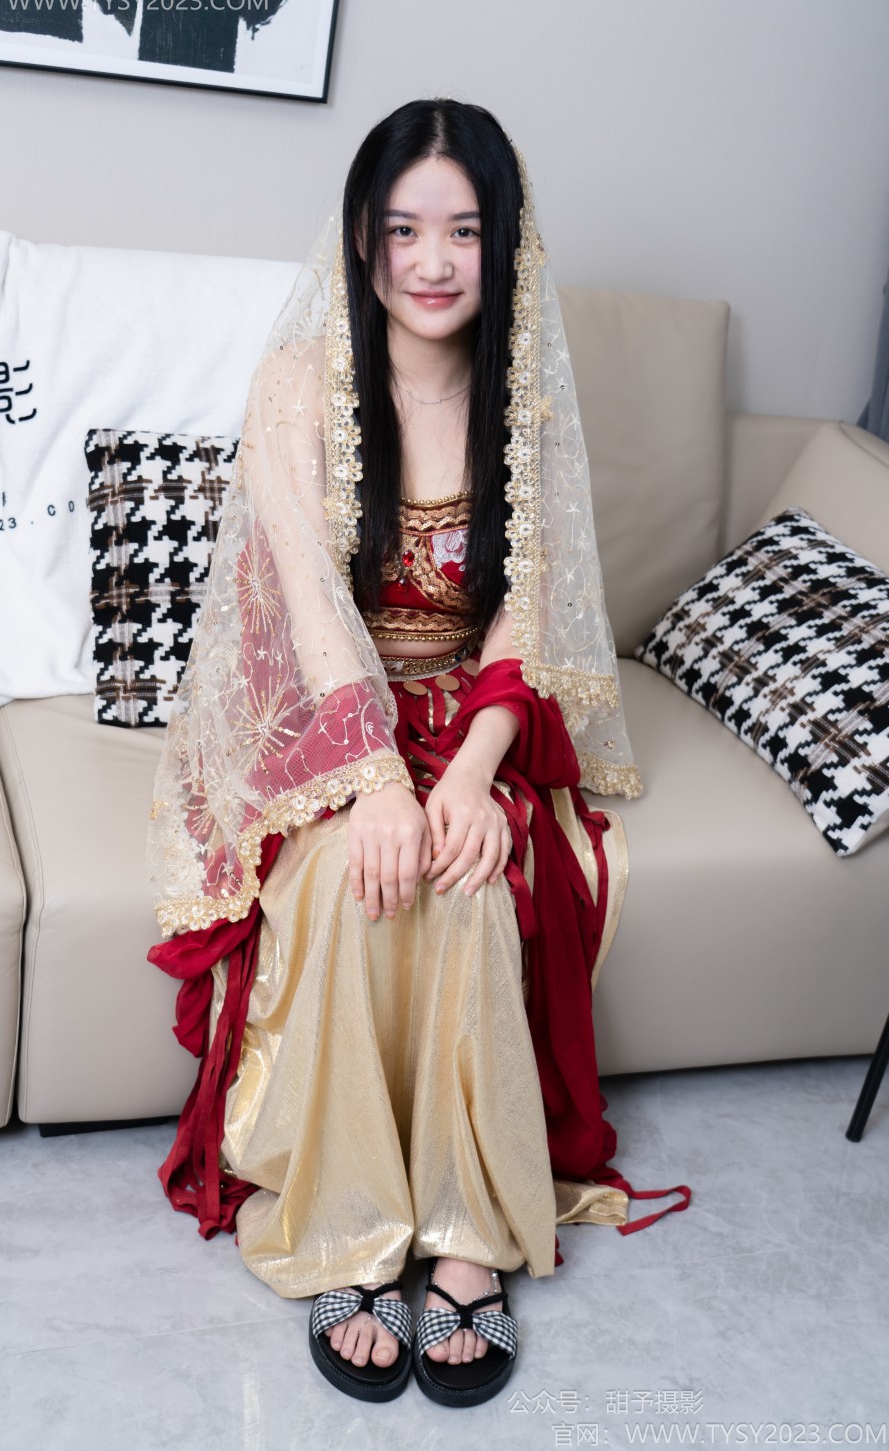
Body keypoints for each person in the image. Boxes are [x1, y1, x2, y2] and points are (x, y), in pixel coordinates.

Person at [146, 98, 690, 1409]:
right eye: (404, 230)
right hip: (323, 711)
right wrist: (378, 780)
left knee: (474, 875)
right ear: (361, 239)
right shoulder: (302, 384)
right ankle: (345, 1226)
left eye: (464, 230)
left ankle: (465, 1235)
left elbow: (523, 613)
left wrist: (474, 773)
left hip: (471, 713)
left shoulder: (518, 398)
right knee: (353, 877)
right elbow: (306, 604)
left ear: (505, 244)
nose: (433, 261)